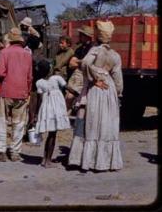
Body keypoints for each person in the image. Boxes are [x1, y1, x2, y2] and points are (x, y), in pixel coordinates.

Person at [68, 20, 123, 171]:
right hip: (109, 89)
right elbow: (118, 80)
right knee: (106, 123)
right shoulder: (115, 55)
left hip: (96, 89)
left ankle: (89, 161)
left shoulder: (95, 50)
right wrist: (117, 94)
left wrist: (94, 77)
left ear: (98, 36)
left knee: (92, 122)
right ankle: (105, 161)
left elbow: (85, 63)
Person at [0, 28, 33, 162]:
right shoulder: (27, 54)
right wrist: (28, 91)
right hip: (22, 92)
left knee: (2, 121)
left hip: (7, 91)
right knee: (19, 123)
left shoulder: (4, 52)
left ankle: (1, 151)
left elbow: (1, 72)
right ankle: (15, 152)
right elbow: (30, 77)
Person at [34, 60, 71, 168]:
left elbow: (39, 100)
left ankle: (45, 159)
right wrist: (77, 93)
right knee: (52, 135)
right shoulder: (56, 78)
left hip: (46, 109)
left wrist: (37, 113)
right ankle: (48, 161)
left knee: (50, 135)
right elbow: (67, 87)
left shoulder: (39, 82)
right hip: (56, 109)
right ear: (50, 69)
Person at [66, 26, 94, 111]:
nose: (79, 36)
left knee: (73, 98)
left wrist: (79, 62)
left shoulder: (93, 48)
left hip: (85, 76)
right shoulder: (79, 48)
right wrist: (81, 62)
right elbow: (71, 63)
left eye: (81, 34)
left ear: (86, 36)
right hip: (77, 76)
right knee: (68, 96)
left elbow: (88, 63)